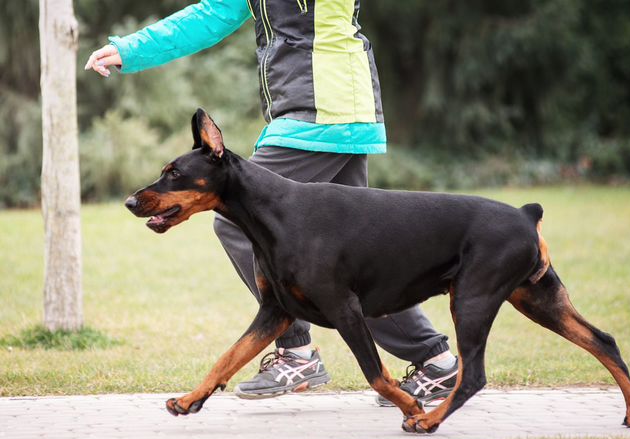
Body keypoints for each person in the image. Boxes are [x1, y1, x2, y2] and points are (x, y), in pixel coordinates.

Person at [85, 0, 458, 406]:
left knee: (237, 218)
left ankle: (295, 350)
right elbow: (212, 15)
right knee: (353, 260)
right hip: (335, 112)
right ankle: (435, 361)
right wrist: (132, 49)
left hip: (320, 114)